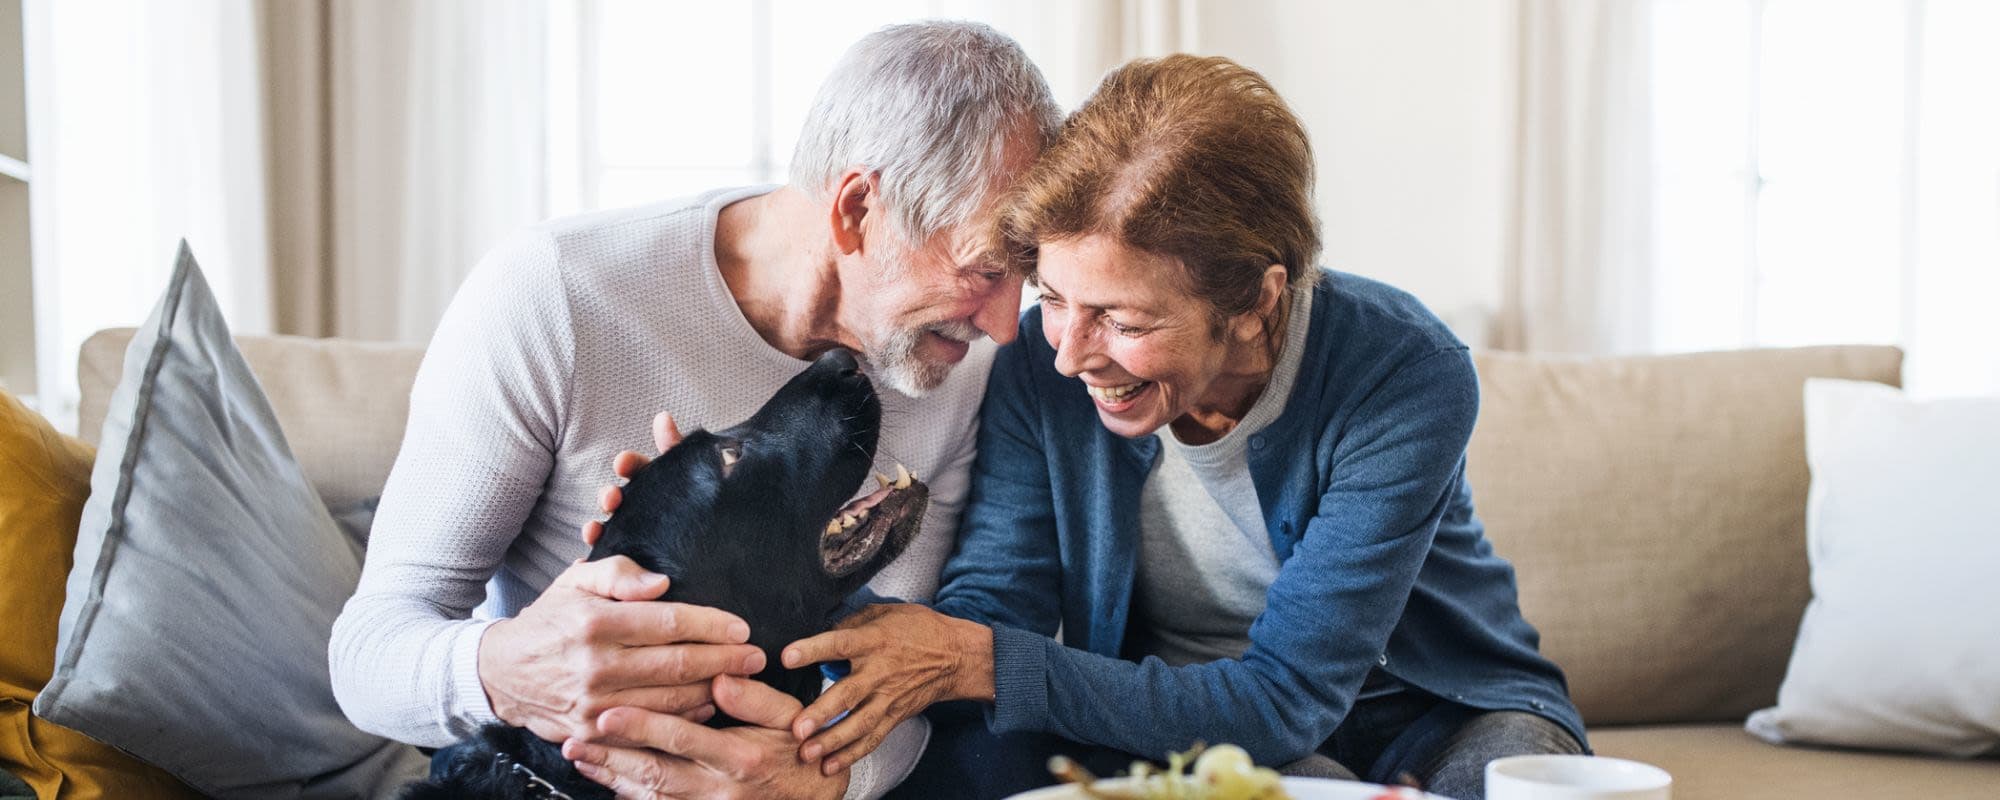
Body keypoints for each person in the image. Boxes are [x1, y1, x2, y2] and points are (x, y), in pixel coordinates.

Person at [724, 55, 1588, 800]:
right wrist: (792, 573)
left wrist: (972, 656)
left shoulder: (1404, 372)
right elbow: (994, 613)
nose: (1073, 356)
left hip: (1427, 715)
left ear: (1256, 301)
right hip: (1167, 716)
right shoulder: (1037, 361)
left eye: (1124, 322)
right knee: (962, 765)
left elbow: (1286, 700)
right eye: (1055, 299)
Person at [327, 21, 1061, 800]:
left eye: (1027, 274)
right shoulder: (556, 295)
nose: (1004, 321)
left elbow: (902, 684)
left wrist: (827, 782)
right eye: (983, 270)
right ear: (856, 209)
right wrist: (511, 670)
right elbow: (367, 658)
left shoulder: (965, 366)